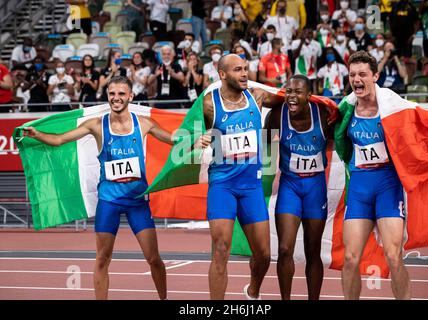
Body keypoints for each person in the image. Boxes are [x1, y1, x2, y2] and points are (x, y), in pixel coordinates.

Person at [22, 76, 171, 300]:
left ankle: (164, 298)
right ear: (107, 95)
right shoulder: (96, 125)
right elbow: (61, 139)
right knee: (102, 258)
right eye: (112, 94)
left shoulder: (144, 123)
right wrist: (38, 135)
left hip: (137, 200)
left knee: (153, 258)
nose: (116, 98)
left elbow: (172, 139)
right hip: (109, 201)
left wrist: (197, 137)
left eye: (121, 94)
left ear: (130, 96)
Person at [197, 54, 284, 300]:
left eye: (246, 69)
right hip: (222, 185)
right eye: (238, 70)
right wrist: (196, 140)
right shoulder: (208, 105)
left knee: (264, 254)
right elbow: (186, 133)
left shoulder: (257, 96)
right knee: (220, 251)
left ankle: (253, 289)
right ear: (222, 74)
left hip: (251, 187)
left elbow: (289, 99)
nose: (245, 73)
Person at [336, 51, 411, 300]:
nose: (356, 79)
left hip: (387, 186)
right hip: (359, 188)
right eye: (352, 75)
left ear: (375, 76)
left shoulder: (393, 105)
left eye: (362, 74)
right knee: (350, 257)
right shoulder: (346, 107)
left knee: (393, 255)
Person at [265, 75, 334, 300]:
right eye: (288, 92)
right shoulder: (277, 115)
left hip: (315, 187)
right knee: (285, 249)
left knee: (313, 252)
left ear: (308, 95)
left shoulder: (324, 116)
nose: (292, 97)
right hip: (290, 186)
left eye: (297, 92)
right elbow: (263, 141)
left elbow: (340, 141)